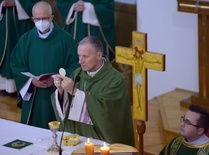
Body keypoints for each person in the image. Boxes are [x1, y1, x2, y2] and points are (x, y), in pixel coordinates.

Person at [51, 36, 135, 146]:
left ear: (99, 55)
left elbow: (107, 112)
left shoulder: (115, 79)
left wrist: (74, 91)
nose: (80, 61)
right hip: (77, 137)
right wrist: (61, 90)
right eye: (79, 56)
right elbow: (66, 104)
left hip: (101, 141)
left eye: (85, 56)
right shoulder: (77, 73)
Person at [10, 1, 79, 129]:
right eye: (38, 19)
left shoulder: (66, 39)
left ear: (51, 17)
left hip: (58, 93)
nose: (41, 22)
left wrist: (55, 79)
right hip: (34, 95)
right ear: (32, 19)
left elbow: (76, 67)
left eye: (44, 18)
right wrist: (31, 80)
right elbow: (16, 64)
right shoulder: (25, 40)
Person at [0, 0, 40, 94]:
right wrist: (2, 4)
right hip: (4, 21)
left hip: (22, 24)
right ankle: (6, 87)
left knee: (22, 52)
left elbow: (37, 4)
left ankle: (23, 86)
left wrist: (17, 3)